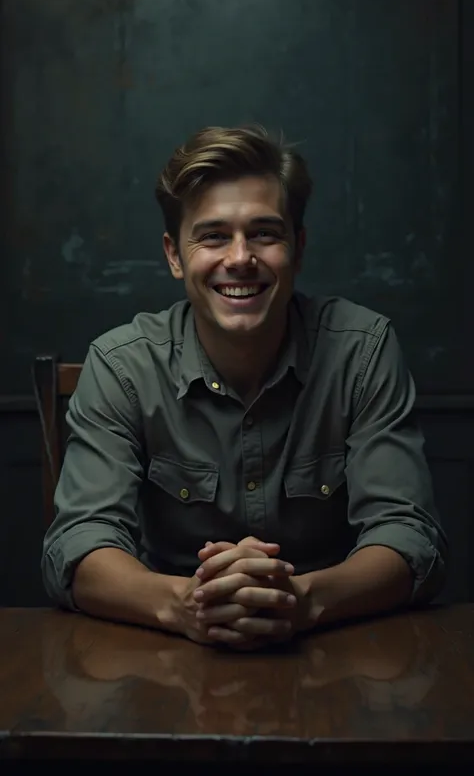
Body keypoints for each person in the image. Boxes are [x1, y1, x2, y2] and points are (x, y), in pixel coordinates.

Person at [42, 125, 447, 651]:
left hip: (336, 646)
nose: (239, 258)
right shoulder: (122, 365)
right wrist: (184, 604)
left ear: (297, 249)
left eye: (264, 233)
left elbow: (410, 537)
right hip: (164, 651)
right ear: (174, 255)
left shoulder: (363, 351)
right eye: (213, 235)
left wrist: (301, 599)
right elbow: (78, 544)